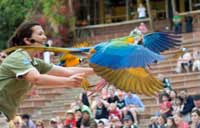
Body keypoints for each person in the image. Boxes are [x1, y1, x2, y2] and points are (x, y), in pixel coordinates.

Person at [0, 21, 94, 127]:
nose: (44, 37)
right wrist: (68, 82)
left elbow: (67, 72)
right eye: (40, 34)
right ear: (27, 40)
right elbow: (36, 78)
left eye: (44, 34)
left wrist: (99, 71)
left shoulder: (35, 62)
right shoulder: (18, 56)